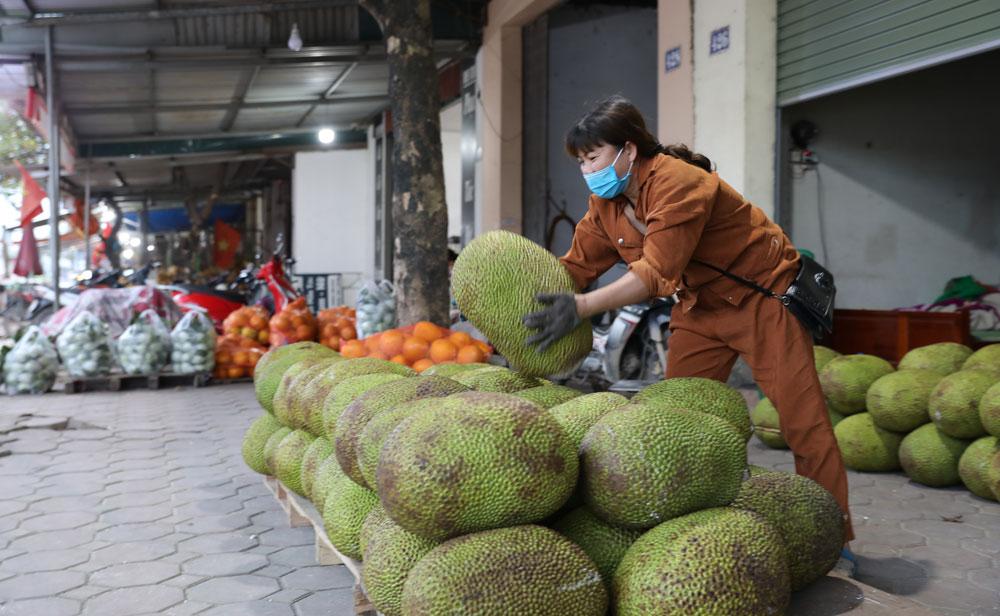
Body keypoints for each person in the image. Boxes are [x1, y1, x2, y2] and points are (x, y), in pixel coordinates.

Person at [523, 95, 855, 562]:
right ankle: (700, 518)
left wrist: (580, 307)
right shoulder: (606, 204)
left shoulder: (678, 182)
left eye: (592, 157)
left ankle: (833, 537)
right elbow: (576, 266)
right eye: (580, 161)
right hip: (698, 309)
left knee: (802, 422)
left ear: (628, 150)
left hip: (762, 300)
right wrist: (513, 300)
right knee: (680, 417)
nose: (586, 170)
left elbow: (654, 272)